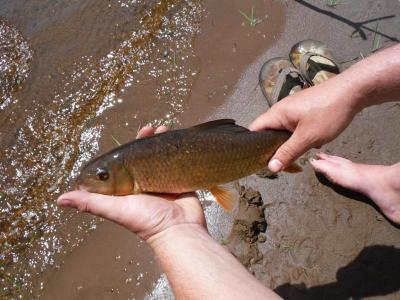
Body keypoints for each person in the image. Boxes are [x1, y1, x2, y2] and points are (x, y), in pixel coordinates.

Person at [57, 44, 400, 299]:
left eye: (101, 176)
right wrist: (352, 90)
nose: (95, 182)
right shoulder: (134, 170)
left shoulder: (135, 171)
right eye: (102, 176)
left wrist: (350, 92)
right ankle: (391, 182)